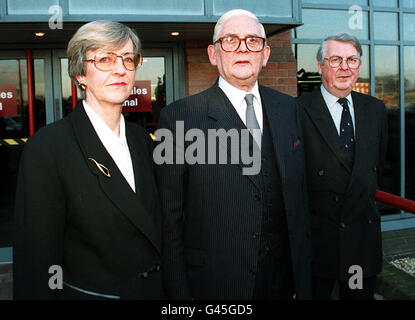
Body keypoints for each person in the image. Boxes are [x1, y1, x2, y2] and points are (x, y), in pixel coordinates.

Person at [156, 9, 312, 300]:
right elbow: (169, 220)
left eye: (252, 40)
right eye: (230, 40)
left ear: (265, 54)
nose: (242, 48)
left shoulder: (289, 109)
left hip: (282, 282)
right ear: (213, 54)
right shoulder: (180, 118)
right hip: (217, 284)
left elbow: (299, 197)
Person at [13, 20, 163, 300]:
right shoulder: (48, 147)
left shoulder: (142, 140)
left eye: (128, 59)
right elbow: (36, 263)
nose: (120, 69)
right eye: (105, 59)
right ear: (80, 73)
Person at [296, 33, 388, 300]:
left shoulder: (376, 109)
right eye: (335, 59)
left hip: (361, 243)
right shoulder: (296, 110)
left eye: (352, 59)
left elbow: (375, 167)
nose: (344, 67)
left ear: (359, 65)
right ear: (320, 65)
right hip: (317, 245)